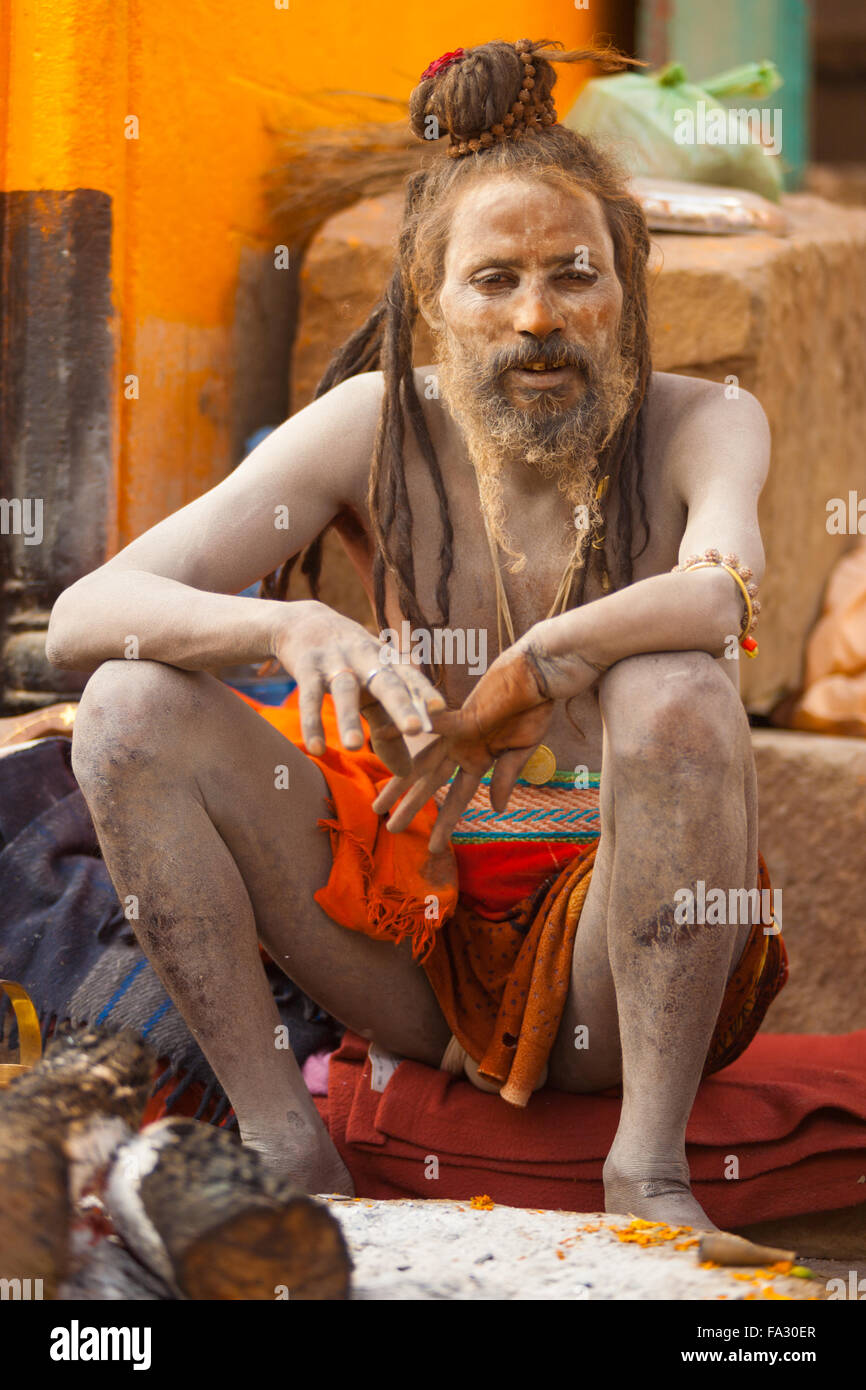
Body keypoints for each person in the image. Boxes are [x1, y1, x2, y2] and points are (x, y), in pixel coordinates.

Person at [47, 39, 786, 1225]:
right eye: (493, 281)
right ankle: (284, 1143)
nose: (536, 317)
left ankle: (644, 1169)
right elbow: (87, 615)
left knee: (676, 690)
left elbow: (720, 596)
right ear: (430, 303)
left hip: (621, 953)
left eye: (574, 274)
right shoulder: (373, 423)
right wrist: (284, 624)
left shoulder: (705, 420)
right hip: (413, 933)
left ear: (626, 285)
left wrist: (541, 661)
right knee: (129, 706)